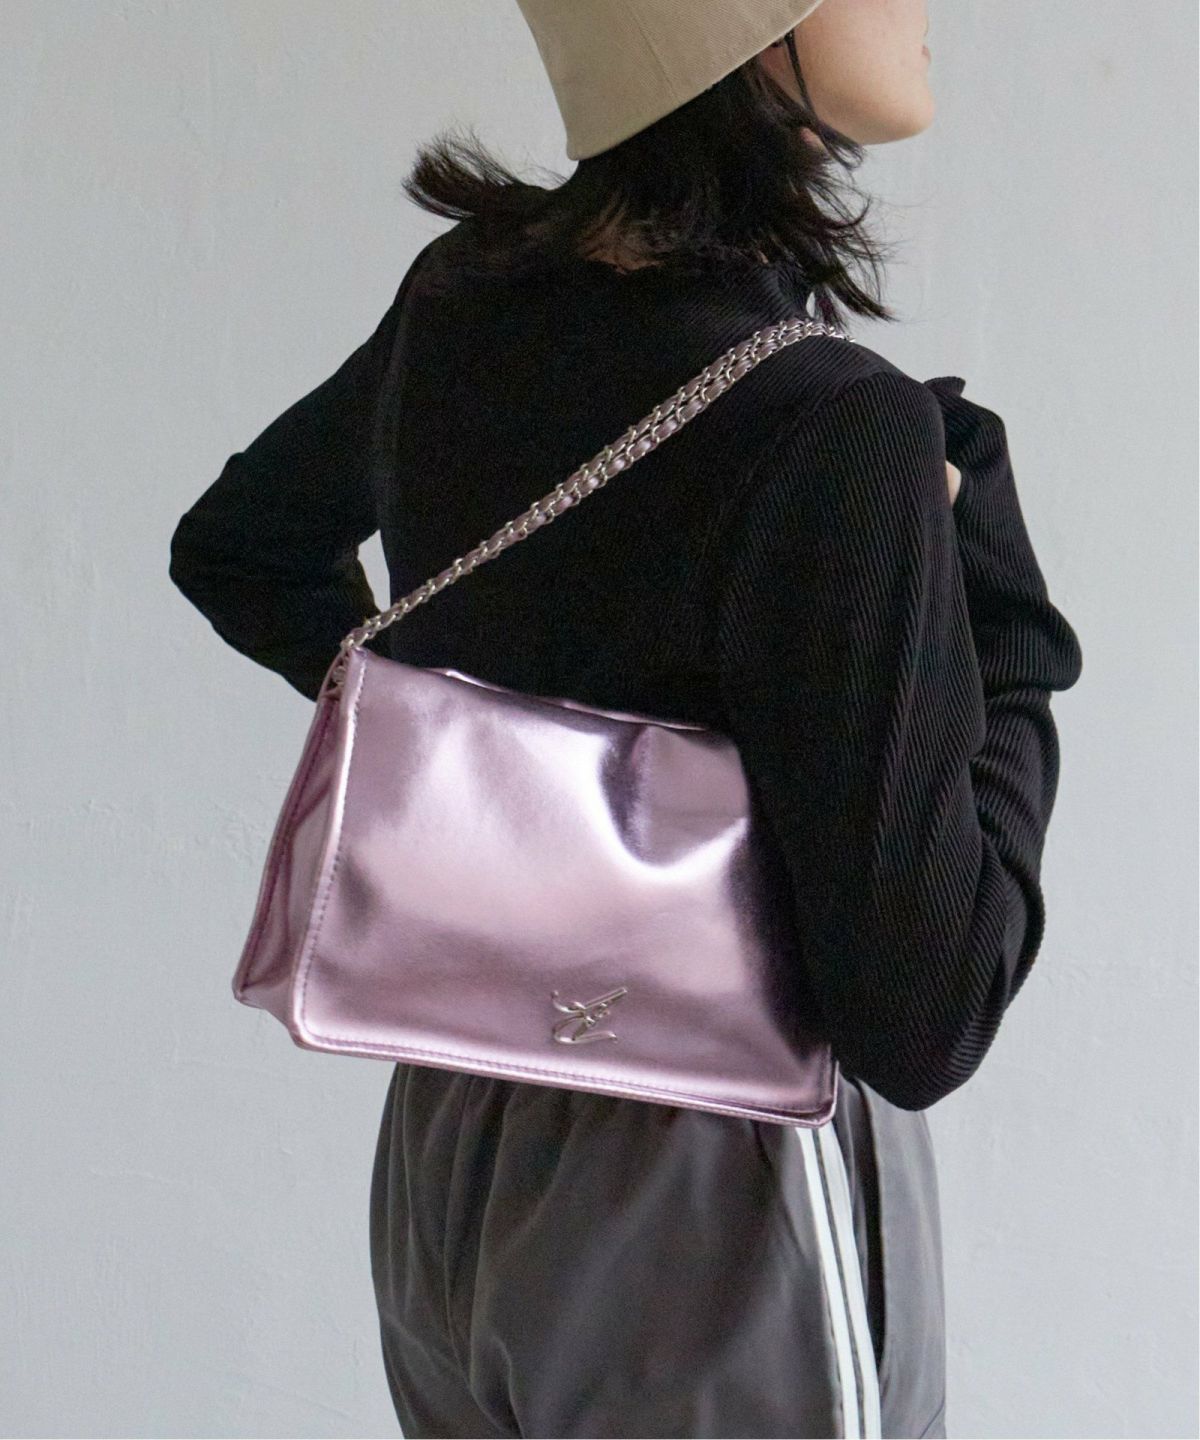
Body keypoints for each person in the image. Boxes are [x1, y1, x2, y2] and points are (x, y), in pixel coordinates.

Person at [167, 1, 1084, 1434]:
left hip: (461, 1130)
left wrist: (456, 762)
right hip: (724, 1180)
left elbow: (243, 549)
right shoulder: (833, 426)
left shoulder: (465, 298)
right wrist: (1004, 624)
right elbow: (929, 1017)